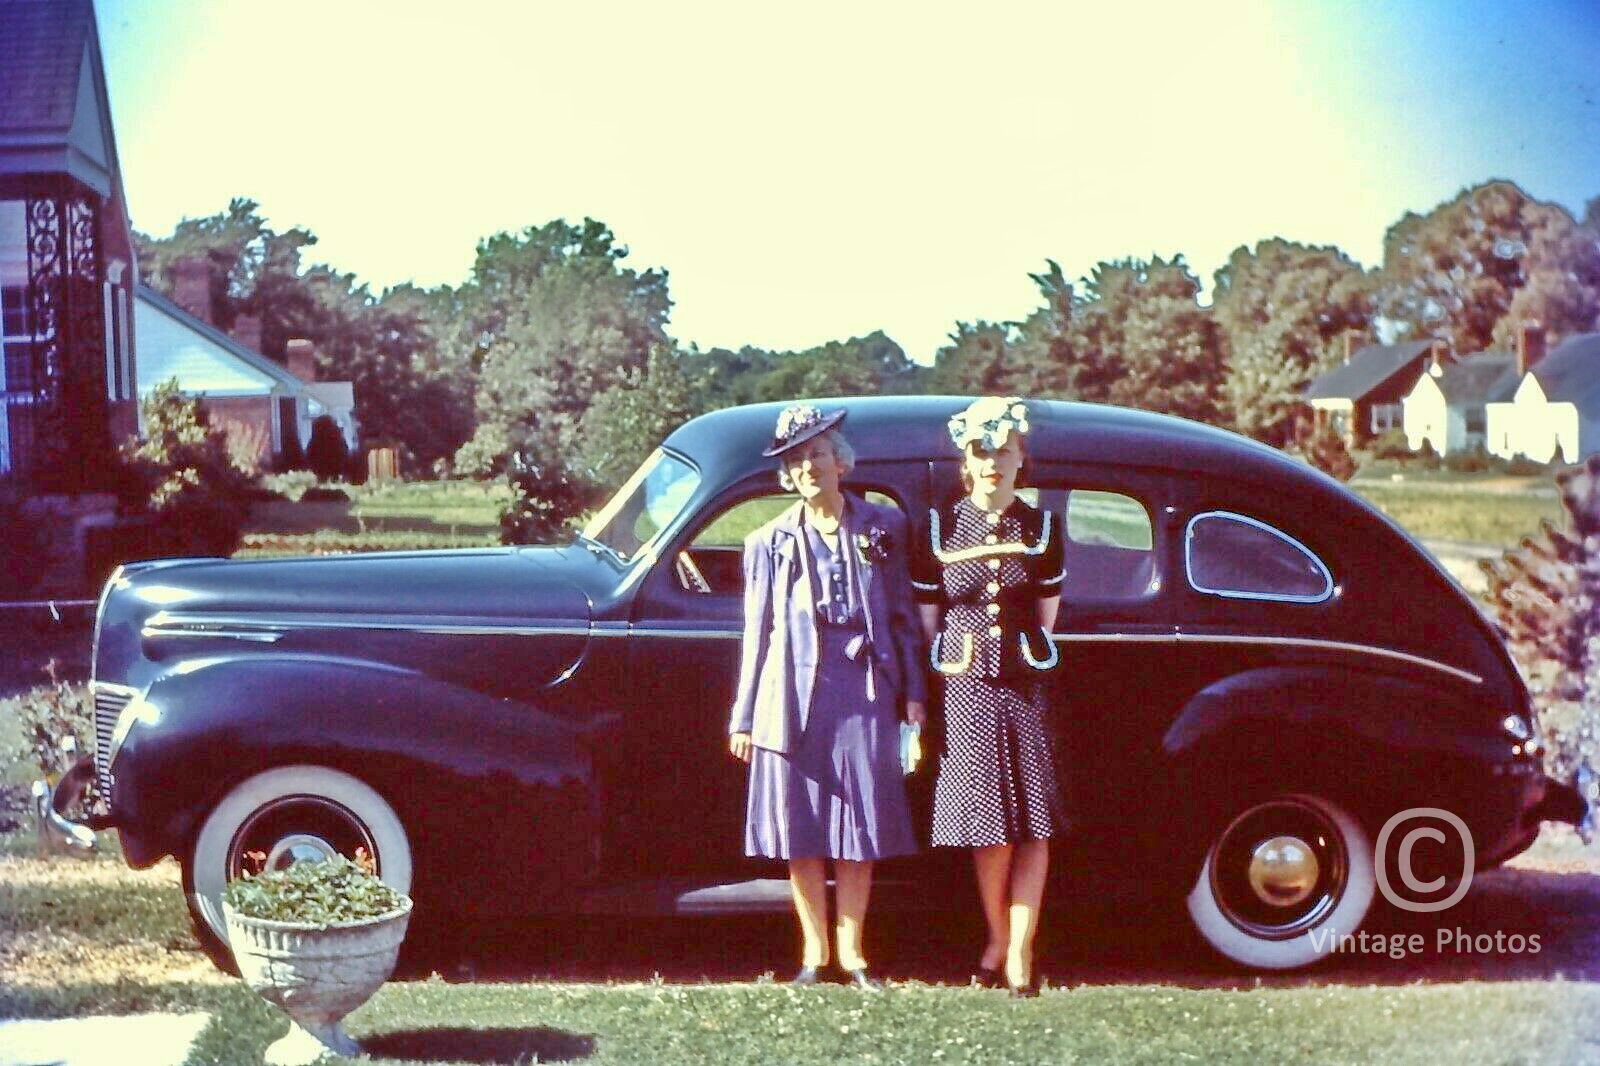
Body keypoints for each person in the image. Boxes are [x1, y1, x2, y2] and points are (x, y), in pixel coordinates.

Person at [728, 402, 928, 989]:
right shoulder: (766, 542)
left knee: (859, 829)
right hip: (791, 696)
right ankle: (815, 957)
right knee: (804, 828)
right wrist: (744, 717)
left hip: (866, 690)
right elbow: (757, 633)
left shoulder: (882, 528)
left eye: (817, 453)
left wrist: (914, 696)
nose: (809, 467)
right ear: (788, 474)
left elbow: (901, 621)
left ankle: (856, 956)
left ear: (840, 462)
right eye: (796, 460)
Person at [912, 396, 1067, 997]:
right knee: (988, 827)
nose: (993, 463)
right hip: (967, 688)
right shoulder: (938, 528)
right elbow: (929, 622)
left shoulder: (1043, 528)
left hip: (1026, 685)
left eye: (1004, 450)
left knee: (1035, 824)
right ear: (965, 461)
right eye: (982, 452)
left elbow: (1048, 618)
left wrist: (1022, 654)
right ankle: (997, 936)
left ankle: (1022, 951)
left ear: (1021, 456)